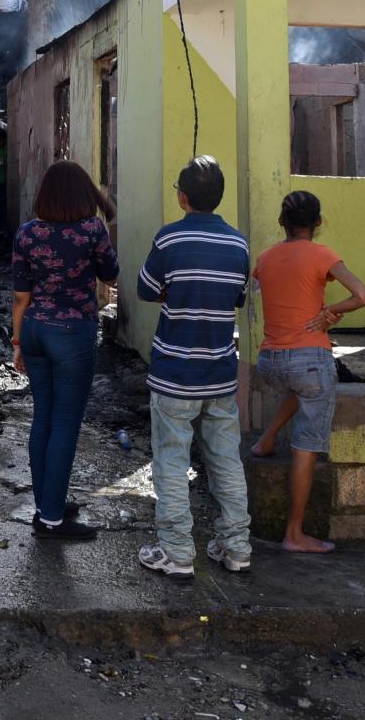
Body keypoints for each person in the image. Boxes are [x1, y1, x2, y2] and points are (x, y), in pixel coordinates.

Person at [136, 156, 253, 579]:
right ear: (217, 197)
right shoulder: (238, 244)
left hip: (173, 373)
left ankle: (177, 553)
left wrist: (175, 288)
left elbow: (145, 289)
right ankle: (237, 547)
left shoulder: (169, 241)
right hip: (221, 372)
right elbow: (237, 298)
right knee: (225, 460)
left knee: (170, 460)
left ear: (182, 197)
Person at [250, 190, 365, 554]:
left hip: (270, 362)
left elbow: (259, 289)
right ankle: (294, 534)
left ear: (281, 223)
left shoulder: (266, 258)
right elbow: (363, 296)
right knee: (306, 448)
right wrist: (330, 311)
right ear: (318, 223)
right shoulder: (323, 255)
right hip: (309, 359)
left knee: (298, 386)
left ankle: (266, 439)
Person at [11, 160, 117, 541]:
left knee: (44, 419)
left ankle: (47, 503)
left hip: (37, 329)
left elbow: (21, 296)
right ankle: (52, 520)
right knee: (66, 425)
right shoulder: (91, 230)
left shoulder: (26, 234)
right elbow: (110, 274)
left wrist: (18, 342)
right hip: (72, 333)